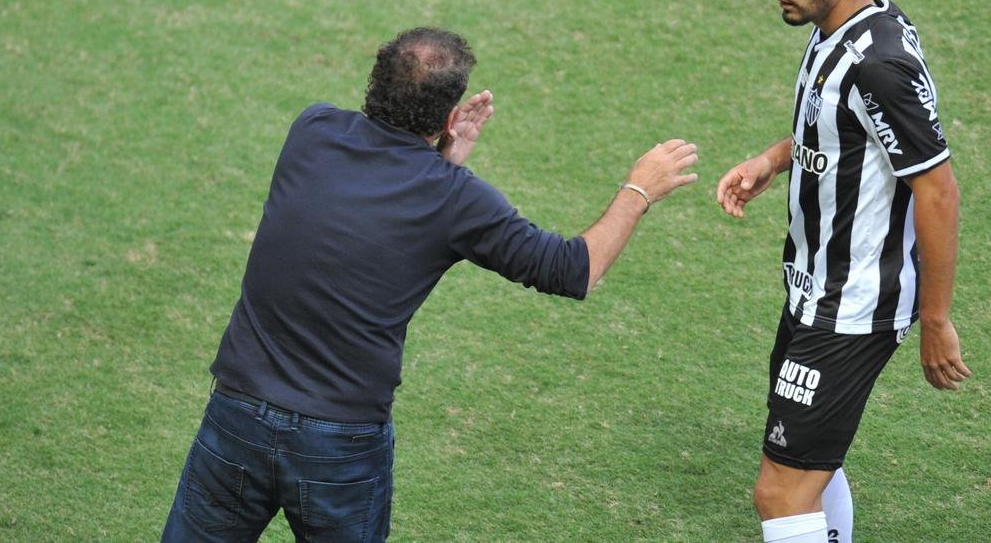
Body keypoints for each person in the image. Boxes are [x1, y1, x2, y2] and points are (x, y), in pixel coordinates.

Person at [161, 27, 699, 542]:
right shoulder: (454, 199)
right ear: (447, 116)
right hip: (338, 446)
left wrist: (440, 159)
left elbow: (377, 196)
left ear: (375, 84)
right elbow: (574, 270)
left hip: (236, 417)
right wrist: (639, 189)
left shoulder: (312, 130)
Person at [715, 0, 971, 543]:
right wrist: (778, 159)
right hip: (811, 289)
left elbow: (936, 191)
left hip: (852, 305)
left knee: (779, 492)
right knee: (807, 468)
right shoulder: (841, 25)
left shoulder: (878, 64)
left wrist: (937, 321)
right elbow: (845, 130)